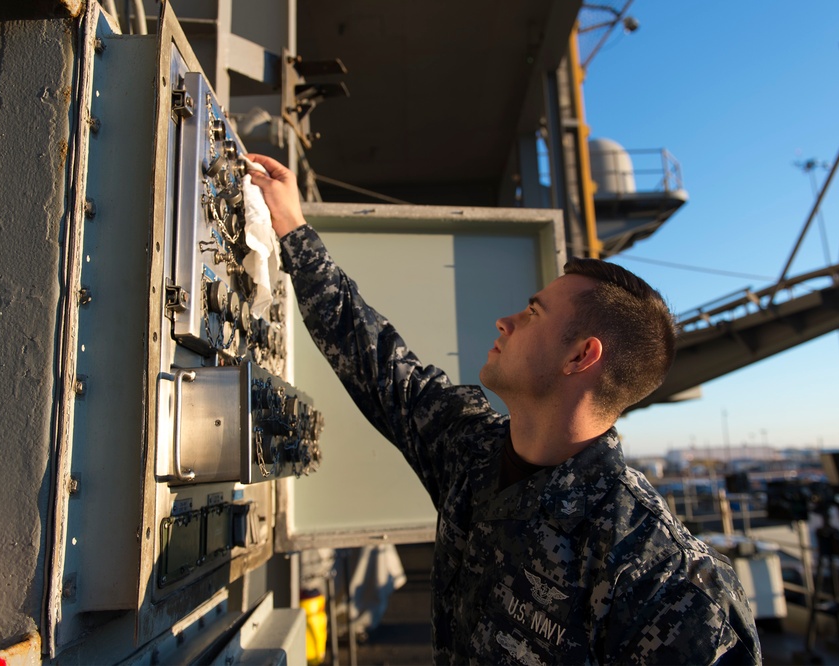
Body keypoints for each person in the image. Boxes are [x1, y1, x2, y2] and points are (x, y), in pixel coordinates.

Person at [247, 153, 761, 665]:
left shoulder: (662, 578)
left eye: (532, 312)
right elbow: (374, 359)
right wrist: (292, 226)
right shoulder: (471, 449)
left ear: (580, 356)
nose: (504, 320)